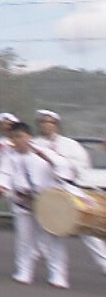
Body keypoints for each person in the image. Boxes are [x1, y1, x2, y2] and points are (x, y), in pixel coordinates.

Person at [0, 121, 72, 289]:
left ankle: (58, 275)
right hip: (23, 202)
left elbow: (64, 169)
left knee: (53, 240)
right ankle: (24, 271)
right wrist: (1, 186)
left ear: (28, 136)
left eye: (20, 136)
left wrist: (50, 160)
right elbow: (3, 174)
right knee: (25, 240)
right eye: (14, 137)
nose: (17, 140)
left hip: (46, 203)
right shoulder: (10, 156)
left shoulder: (44, 152)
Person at [33, 109, 106, 275]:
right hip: (49, 195)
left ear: (56, 125)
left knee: (88, 231)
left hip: (71, 191)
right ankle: (57, 275)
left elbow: (82, 165)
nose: (46, 125)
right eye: (43, 122)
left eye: (50, 122)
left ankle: (104, 263)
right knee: (53, 234)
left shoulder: (70, 144)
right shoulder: (35, 144)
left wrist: (60, 161)